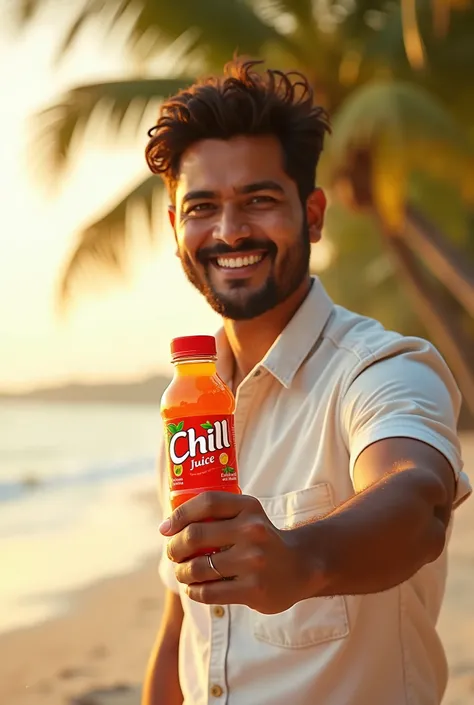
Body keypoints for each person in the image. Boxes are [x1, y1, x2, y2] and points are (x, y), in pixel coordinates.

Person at [141, 58, 471, 705]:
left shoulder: (381, 366)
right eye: (203, 206)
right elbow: (183, 621)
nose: (230, 230)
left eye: (259, 200)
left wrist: (302, 558)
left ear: (313, 214)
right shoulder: (188, 402)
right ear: (177, 228)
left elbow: (417, 498)